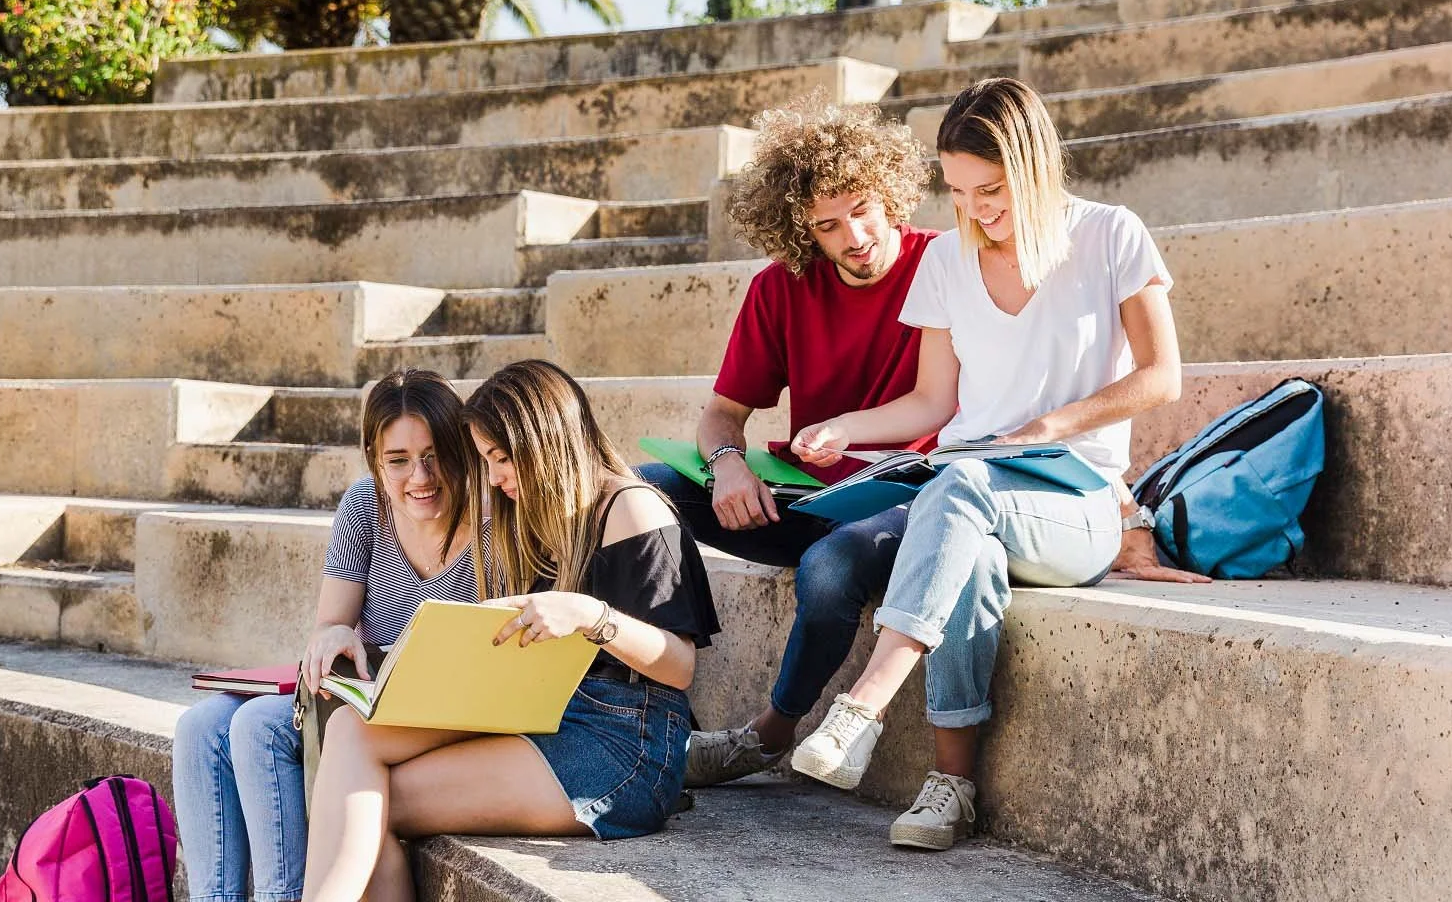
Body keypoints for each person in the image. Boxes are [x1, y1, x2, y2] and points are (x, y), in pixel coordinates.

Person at [780, 76, 1187, 850]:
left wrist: (1053, 424)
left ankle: (862, 707)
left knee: (961, 486)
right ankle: (950, 787)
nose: (974, 210)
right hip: (971, 494)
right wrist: (846, 426)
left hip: (1078, 504)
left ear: (1034, 166)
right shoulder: (946, 262)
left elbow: (1162, 376)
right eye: (958, 191)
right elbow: (933, 404)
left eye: (991, 189)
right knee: (963, 512)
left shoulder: (1111, 234)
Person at [647, 96, 980, 797]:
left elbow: (942, 404)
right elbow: (721, 415)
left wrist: (851, 429)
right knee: (641, 494)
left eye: (862, 209)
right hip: (808, 497)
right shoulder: (781, 286)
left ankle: (766, 735)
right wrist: (729, 466)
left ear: (890, 192)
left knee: (829, 569)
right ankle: (652, 689)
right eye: (827, 226)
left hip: (912, 504)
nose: (853, 235)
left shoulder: (947, 264)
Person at [300, 360, 721, 902]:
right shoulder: (533, 513)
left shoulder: (633, 510)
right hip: (537, 710)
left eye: (501, 459)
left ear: (544, 443)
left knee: (365, 803)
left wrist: (592, 617)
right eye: (486, 460)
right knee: (349, 736)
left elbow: (679, 667)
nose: (493, 478)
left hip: (622, 746)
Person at [173, 369, 483, 902]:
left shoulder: (491, 521)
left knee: (257, 728)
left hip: (431, 713)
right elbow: (332, 623)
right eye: (399, 460)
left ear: (460, 449)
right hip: (363, 693)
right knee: (201, 727)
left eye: (434, 455)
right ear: (373, 457)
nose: (420, 477)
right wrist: (332, 637)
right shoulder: (364, 506)